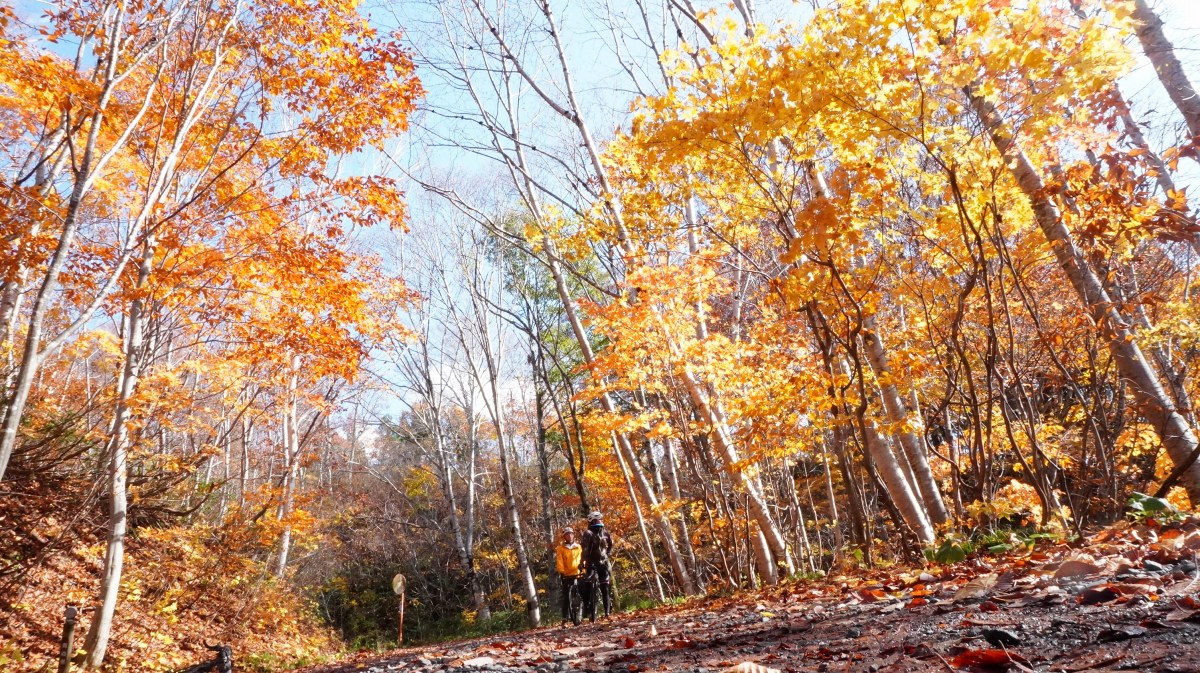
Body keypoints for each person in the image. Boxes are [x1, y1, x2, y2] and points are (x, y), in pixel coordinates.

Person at [580, 511, 614, 621]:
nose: (599, 521)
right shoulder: (588, 533)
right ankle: (588, 608)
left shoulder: (605, 532)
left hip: (603, 563)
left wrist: (608, 554)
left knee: (605, 586)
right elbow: (584, 549)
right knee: (587, 583)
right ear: (591, 521)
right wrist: (582, 562)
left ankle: (607, 613)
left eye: (600, 519)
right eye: (596, 519)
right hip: (591, 563)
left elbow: (611, 544)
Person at [555, 527, 583, 625]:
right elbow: (560, 561)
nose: (569, 536)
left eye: (571, 534)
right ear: (564, 537)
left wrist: (584, 569)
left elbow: (582, 559)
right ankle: (565, 618)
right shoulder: (560, 548)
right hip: (566, 574)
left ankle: (581, 615)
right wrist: (561, 571)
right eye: (567, 534)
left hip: (578, 573)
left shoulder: (578, 547)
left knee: (581, 593)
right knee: (566, 595)